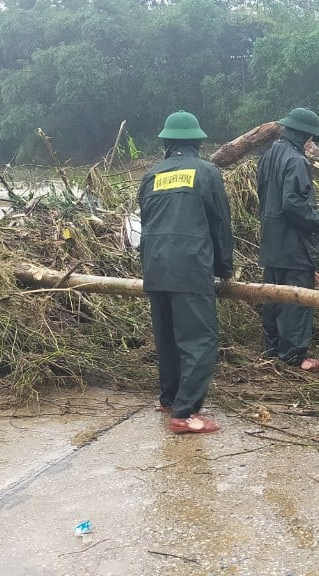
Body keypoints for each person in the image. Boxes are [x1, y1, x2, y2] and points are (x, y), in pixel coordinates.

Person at [138, 110, 234, 434]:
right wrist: (224, 267)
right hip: (190, 267)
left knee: (167, 339)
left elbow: (146, 222)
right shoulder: (206, 172)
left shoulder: (150, 175)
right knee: (199, 341)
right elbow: (219, 223)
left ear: (166, 144)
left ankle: (169, 399)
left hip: (154, 267)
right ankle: (185, 413)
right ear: (197, 142)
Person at [256, 108, 319, 372]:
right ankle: (294, 357)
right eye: (311, 138)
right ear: (303, 135)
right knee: (298, 299)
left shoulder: (268, 156)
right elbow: (293, 204)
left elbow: (269, 198)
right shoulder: (296, 160)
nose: (311, 144)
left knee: (273, 296)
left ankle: (273, 349)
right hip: (295, 245)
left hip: (272, 241)